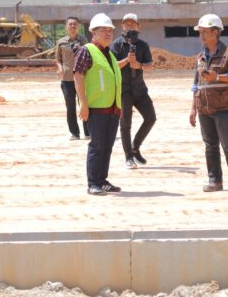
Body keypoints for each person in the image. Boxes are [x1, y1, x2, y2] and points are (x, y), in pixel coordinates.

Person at [188, 13, 228, 193]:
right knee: (210, 146)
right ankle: (215, 180)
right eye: (200, 32)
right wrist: (193, 109)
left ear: (215, 32)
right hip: (204, 108)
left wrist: (217, 77)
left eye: (205, 32)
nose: (202, 36)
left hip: (222, 108)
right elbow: (196, 84)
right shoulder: (200, 57)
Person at [73, 13, 122, 196]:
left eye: (110, 30)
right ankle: (93, 183)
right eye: (104, 30)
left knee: (107, 146)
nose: (108, 33)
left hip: (113, 108)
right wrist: (83, 104)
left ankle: (102, 180)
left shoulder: (109, 53)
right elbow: (77, 75)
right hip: (96, 108)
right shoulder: (87, 50)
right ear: (93, 32)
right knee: (97, 146)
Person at [110, 13, 156, 169]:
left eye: (132, 23)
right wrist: (127, 61)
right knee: (125, 124)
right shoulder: (116, 45)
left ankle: (135, 146)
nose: (129, 26)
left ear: (138, 26)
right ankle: (128, 157)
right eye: (126, 23)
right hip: (123, 90)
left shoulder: (143, 45)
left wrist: (140, 66)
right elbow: (112, 66)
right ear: (122, 26)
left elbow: (150, 66)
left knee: (151, 118)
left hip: (140, 89)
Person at [55, 16, 90, 140]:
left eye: (75, 24)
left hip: (82, 79)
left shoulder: (84, 40)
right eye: (70, 24)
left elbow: (89, 56)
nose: (73, 26)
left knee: (84, 103)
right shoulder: (61, 42)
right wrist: (60, 68)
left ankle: (88, 132)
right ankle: (74, 133)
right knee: (70, 106)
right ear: (66, 27)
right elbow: (58, 59)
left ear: (78, 27)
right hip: (67, 80)